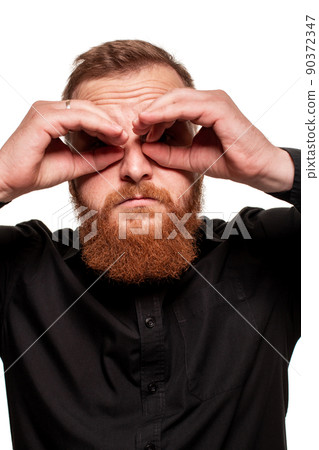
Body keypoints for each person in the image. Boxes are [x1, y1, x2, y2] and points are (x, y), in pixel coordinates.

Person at [0, 40, 300, 450]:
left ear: (201, 149)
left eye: (165, 139)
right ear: (69, 166)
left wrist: (277, 166)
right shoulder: (18, 269)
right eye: (100, 144)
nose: (136, 169)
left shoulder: (271, 252)